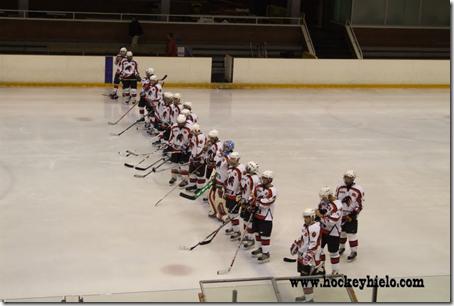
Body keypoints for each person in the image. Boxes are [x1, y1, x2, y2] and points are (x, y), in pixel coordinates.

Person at [291, 209, 322, 303]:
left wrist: (308, 257)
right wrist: (296, 245)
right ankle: (307, 296)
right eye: (304, 217)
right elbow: (303, 238)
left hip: (310, 258)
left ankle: (309, 299)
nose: (305, 219)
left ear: (312, 217)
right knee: (303, 277)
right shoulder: (306, 226)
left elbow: (314, 244)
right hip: (303, 255)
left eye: (307, 217)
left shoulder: (315, 228)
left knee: (307, 278)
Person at [336, 170, 364, 261]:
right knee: (342, 233)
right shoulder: (340, 187)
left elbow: (360, 205)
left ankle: (353, 251)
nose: (347, 179)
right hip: (341, 215)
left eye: (349, 178)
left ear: (353, 179)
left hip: (351, 216)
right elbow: (336, 200)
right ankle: (341, 247)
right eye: (346, 177)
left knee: (351, 234)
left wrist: (353, 215)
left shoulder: (358, 189)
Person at [250, 170, 277, 263]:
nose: (263, 180)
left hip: (266, 217)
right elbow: (252, 196)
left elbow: (267, 202)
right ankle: (260, 249)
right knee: (257, 233)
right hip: (257, 214)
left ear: (270, 179)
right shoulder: (258, 187)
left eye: (265, 178)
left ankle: (266, 253)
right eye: (263, 178)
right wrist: (252, 203)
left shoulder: (273, 190)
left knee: (265, 236)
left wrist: (256, 202)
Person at [316, 186, 342, 274]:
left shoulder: (338, 206)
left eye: (324, 197)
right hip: (323, 231)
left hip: (333, 233)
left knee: (333, 253)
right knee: (319, 250)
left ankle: (335, 271)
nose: (322, 199)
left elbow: (331, 222)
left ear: (329, 195)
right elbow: (320, 211)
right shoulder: (325, 202)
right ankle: (321, 268)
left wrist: (319, 215)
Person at [223, 152, 246, 241]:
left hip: (236, 196)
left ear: (238, 159)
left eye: (233, 159)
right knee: (230, 211)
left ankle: (237, 231)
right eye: (230, 158)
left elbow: (243, 183)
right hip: (229, 194)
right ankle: (234, 227)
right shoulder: (231, 168)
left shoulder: (241, 169)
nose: (231, 160)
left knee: (234, 213)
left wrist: (240, 195)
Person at [240, 161, 261, 249]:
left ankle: (251, 239)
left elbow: (254, 193)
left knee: (250, 221)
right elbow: (242, 187)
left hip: (250, 203)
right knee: (245, 220)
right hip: (244, 201)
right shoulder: (245, 176)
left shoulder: (255, 179)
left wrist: (250, 203)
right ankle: (246, 235)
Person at [185, 124, 207, 192]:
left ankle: (200, 188)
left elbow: (201, 150)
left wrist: (197, 158)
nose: (191, 132)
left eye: (192, 131)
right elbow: (193, 146)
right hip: (193, 157)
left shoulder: (201, 137)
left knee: (200, 174)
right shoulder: (195, 136)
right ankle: (193, 185)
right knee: (192, 173)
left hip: (199, 159)